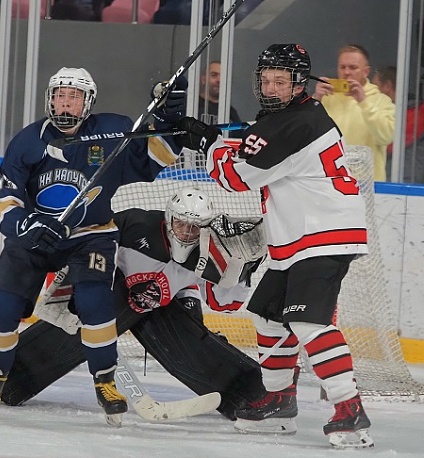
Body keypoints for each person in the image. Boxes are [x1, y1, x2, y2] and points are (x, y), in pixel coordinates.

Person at [173, 43, 374, 448]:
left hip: (323, 235)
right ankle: (280, 400)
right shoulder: (288, 119)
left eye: (280, 82)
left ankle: (349, 409)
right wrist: (212, 139)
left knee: (307, 322)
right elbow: (253, 147)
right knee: (268, 316)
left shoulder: (297, 124)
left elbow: (238, 177)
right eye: (266, 80)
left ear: (300, 84)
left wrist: (208, 145)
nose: (271, 88)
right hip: (297, 238)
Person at [0, 66, 187, 426]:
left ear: (88, 102)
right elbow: (4, 201)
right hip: (34, 236)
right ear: (49, 98)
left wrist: (170, 111)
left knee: (96, 301)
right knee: (2, 306)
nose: (64, 103)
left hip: (90, 234)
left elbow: (154, 159)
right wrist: (27, 224)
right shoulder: (28, 141)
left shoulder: (114, 130)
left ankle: (105, 382)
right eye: (59, 95)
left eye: (73, 96)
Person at [0, 187, 268, 421]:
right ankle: (8, 379)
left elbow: (222, 302)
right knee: (93, 318)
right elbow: (85, 248)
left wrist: (244, 267)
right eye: (181, 224)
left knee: (188, 340)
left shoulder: (210, 249)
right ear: (169, 217)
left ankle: (248, 393)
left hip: (167, 301)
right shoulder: (135, 225)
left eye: (194, 228)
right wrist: (66, 292)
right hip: (113, 287)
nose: (186, 233)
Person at [313, 44, 394, 182]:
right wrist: (315, 100)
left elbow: (386, 137)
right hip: (328, 183)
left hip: (367, 186)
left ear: (366, 72)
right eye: (342, 67)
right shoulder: (326, 98)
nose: (347, 72)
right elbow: (304, 137)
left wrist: (363, 102)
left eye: (353, 67)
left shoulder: (382, 101)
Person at [372, 65, 424, 183]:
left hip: (407, 184)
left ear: (387, 86)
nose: (371, 92)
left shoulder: (415, 113)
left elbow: (387, 141)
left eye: (375, 87)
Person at [199, 60, 241, 125]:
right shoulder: (192, 105)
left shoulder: (230, 113)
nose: (219, 80)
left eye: (223, 76)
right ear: (203, 79)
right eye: (214, 75)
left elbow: (239, 134)